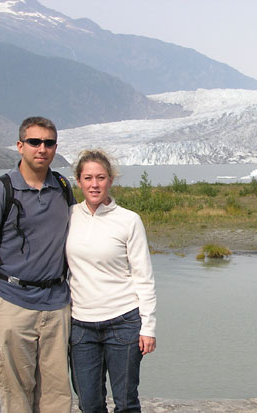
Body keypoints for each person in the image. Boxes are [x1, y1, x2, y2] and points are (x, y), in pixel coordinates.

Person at [0, 116, 75, 413]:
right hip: (12, 304)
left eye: (49, 143)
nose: (42, 148)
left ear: (55, 148)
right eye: (34, 142)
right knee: (16, 394)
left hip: (56, 306)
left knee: (57, 394)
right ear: (20, 146)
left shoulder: (63, 188)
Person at [66, 149, 157, 413]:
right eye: (88, 178)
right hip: (81, 327)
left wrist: (148, 327)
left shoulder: (128, 220)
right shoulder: (69, 216)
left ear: (111, 180)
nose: (95, 184)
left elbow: (144, 277)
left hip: (123, 322)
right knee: (89, 403)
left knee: (126, 403)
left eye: (101, 178)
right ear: (79, 181)